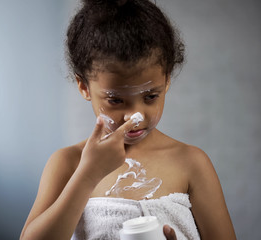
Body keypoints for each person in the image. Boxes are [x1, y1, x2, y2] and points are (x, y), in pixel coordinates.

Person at [20, 0, 236, 239]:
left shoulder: (191, 163)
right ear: (84, 86)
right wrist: (88, 175)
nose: (136, 116)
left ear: (167, 81)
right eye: (115, 100)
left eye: (151, 96)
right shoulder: (68, 164)